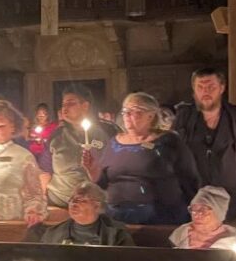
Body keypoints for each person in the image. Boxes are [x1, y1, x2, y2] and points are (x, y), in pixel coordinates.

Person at [82, 91, 200, 224]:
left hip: (159, 216)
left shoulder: (169, 141)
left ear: (151, 115)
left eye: (135, 111)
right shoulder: (114, 142)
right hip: (117, 216)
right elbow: (102, 182)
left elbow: (189, 178)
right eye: (125, 110)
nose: (127, 115)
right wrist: (92, 170)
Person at [173, 68, 236, 221]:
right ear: (194, 90)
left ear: (222, 88)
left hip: (235, 197)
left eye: (211, 87)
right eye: (200, 87)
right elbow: (172, 150)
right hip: (195, 198)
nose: (205, 91)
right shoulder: (184, 118)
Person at [41, 84, 118, 207]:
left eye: (70, 103)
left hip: (95, 202)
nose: (64, 108)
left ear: (85, 106)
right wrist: (42, 199)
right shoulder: (56, 135)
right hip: (59, 201)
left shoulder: (107, 131)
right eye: (63, 104)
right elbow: (45, 170)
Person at [26, 182, 134, 246]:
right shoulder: (53, 233)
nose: (73, 204)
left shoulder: (116, 234)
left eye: (81, 200)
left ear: (97, 206)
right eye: (72, 199)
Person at [169, 186, 236, 250]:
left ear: (218, 213)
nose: (196, 215)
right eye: (193, 209)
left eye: (203, 210)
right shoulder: (181, 233)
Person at [27, 103, 58, 170]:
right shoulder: (33, 128)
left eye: (44, 113)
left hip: (46, 155)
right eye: (39, 113)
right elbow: (29, 139)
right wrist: (33, 138)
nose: (41, 115)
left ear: (48, 115)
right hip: (33, 154)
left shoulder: (53, 126)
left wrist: (44, 140)